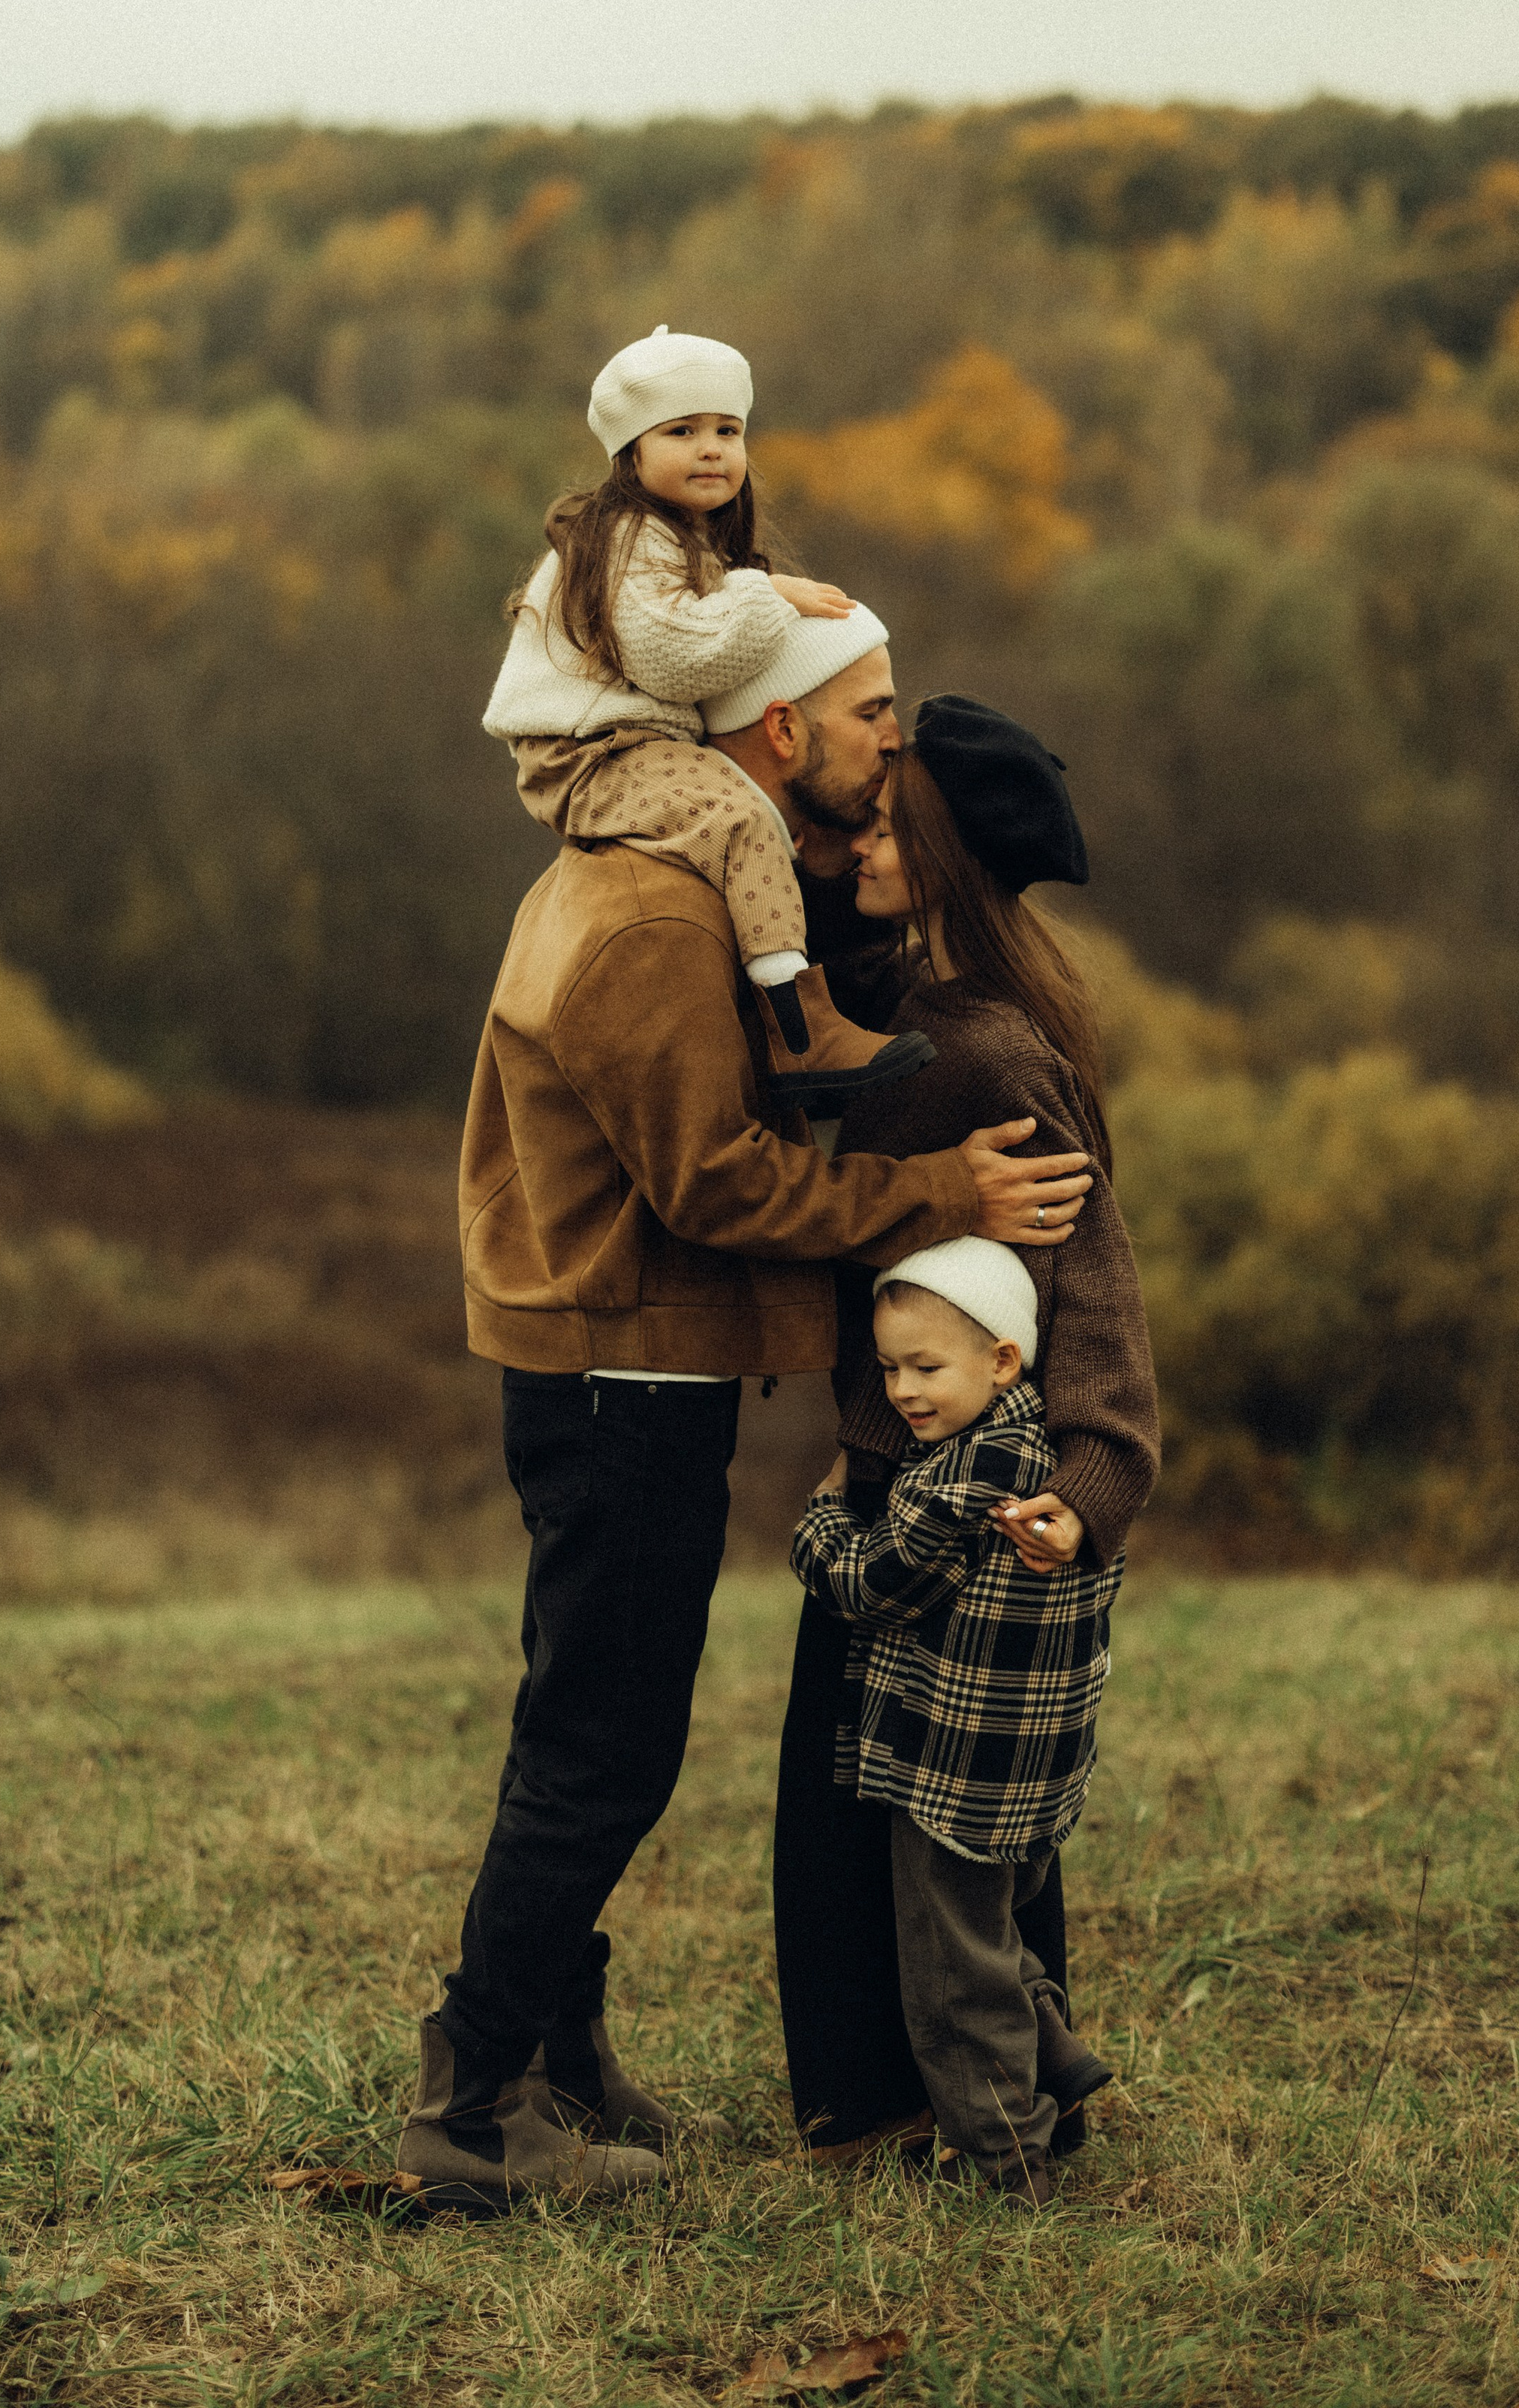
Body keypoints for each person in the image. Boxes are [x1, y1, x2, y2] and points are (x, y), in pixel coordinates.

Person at [395, 635, 1098, 2215]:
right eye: (869, 713)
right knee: (602, 1748)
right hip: (621, 1379)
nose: (890, 740)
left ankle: (555, 2052)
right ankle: (472, 2102)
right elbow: (710, 1182)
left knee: (588, 1727)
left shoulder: (684, 877)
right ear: (779, 730)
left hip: (623, 1364)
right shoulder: (655, 915)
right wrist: (943, 1195)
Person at [773, 695, 1159, 2167]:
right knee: (944, 1814)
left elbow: (1094, 1277)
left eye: (885, 824)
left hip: (946, 1499)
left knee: (900, 1817)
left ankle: (918, 2108)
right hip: (920, 1464)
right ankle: (995, 2079)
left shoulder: (978, 1052)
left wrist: (1096, 1469)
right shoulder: (918, 1008)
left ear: (941, 853)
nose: (855, 842)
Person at [484, 323, 930, 1109]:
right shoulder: (623, 539)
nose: (711, 450)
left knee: (758, 819)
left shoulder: (672, 538)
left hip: (624, 742)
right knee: (740, 820)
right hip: (587, 751)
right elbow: (677, 659)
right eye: (682, 431)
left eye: (728, 430)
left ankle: (802, 1007)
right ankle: (800, 1031)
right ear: (631, 452)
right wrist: (767, 594)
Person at [792, 1237, 1122, 2208]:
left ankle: (1009, 2163)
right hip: (1032, 1770)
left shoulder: (969, 1476)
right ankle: (1056, 2058)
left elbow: (867, 1584)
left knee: (953, 1974)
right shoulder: (1060, 1462)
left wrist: (820, 1519)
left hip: (959, 1771)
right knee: (992, 1932)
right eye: (889, 1368)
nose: (902, 1390)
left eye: (925, 1367)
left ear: (1002, 1359)